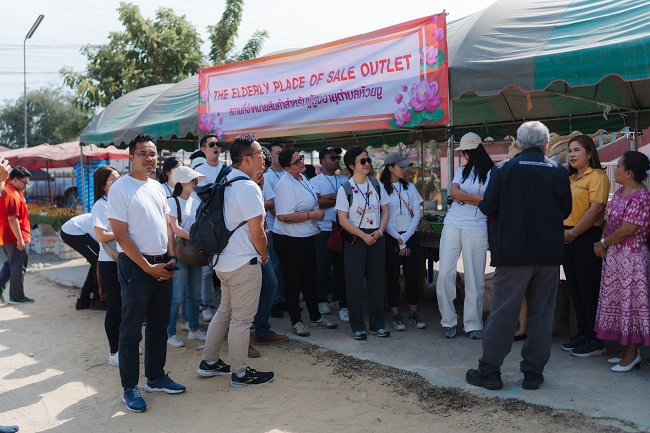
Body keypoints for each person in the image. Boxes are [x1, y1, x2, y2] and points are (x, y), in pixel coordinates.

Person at [465, 121, 571, 391]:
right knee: (541, 314)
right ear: (546, 144)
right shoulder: (559, 171)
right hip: (548, 254)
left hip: (513, 253)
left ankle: (490, 370)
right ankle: (533, 373)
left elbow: (488, 206)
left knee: (503, 313)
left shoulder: (503, 169)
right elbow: (566, 210)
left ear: (518, 144)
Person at [108, 134, 185, 412]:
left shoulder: (157, 187)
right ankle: (130, 387)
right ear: (131, 157)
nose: (149, 158)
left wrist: (171, 257)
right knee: (131, 330)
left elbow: (167, 225)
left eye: (153, 153)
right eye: (143, 153)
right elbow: (120, 235)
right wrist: (147, 267)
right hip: (136, 267)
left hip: (161, 264)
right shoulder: (121, 188)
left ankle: (156, 377)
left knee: (159, 325)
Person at [197, 134, 275, 387]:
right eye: (259, 152)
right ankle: (240, 373)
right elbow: (258, 233)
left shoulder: (226, 179)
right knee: (241, 320)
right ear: (247, 159)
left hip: (223, 261)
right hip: (243, 263)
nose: (263, 156)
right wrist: (264, 255)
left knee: (224, 313)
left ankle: (209, 362)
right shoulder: (248, 187)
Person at [593, 151, 650, 372]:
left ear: (629, 173)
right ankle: (626, 352)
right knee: (620, 303)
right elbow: (610, 222)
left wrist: (603, 244)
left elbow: (628, 230)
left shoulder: (641, 197)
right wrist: (603, 242)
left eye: (618, 166)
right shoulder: (620, 192)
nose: (615, 170)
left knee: (631, 305)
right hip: (616, 256)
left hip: (632, 259)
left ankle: (632, 354)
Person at [273, 148, 337, 336]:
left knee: (310, 278)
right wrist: (311, 216)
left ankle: (315, 318)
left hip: (306, 235)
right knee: (293, 281)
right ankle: (296, 321)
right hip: (290, 239)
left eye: (301, 158)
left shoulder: (302, 178)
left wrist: (313, 224)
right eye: (296, 161)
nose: (301, 162)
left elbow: (310, 202)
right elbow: (283, 216)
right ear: (287, 168)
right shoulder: (285, 185)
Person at [436, 133, 494, 339]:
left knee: (475, 278)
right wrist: (478, 199)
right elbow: (454, 194)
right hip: (453, 224)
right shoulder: (461, 170)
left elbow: (490, 201)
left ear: (473, 151)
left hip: (477, 227)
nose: (464, 156)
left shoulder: (492, 173)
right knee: (445, 274)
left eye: (465, 152)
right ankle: (448, 320)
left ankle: (473, 323)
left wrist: (465, 198)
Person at [559, 135, 610, 357]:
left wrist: (573, 233)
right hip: (566, 235)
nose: (572, 154)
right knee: (576, 288)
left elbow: (596, 209)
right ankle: (583, 333)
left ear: (590, 153)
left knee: (589, 288)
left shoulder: (597, 176)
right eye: (570, 150)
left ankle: (595, 339)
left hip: (585, 235)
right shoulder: (570, 178)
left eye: (577, 150)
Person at [335, 147, 390, 340]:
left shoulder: (376, 184)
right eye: (363, 161)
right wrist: (362, 236)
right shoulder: (345, 188)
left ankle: (377, 325)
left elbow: (385, 211)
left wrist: (380, 231)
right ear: (352, 166)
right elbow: (342, 219)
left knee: (377, 282)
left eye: (368, 160)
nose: (367, 164)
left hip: (376, 235)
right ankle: (358, 327)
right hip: (356, 238)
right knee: (355, 284)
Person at [250, 146, 289, 355]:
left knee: (269, 284)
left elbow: (270, 205)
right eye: (260, 159)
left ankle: (261, 331)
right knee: (241, 295)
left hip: (260, 243)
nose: (263, 165)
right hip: (243, 249)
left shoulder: (259, 182)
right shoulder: (241, 183)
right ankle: (239, 341)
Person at [380, 151, 426, 332]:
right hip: (390, 236)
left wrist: (405, 238)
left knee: (412, 276)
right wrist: (399, 240)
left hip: (409, 235)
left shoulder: (410, 187)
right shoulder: (381, 189)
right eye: (401, 167)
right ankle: (395, 315)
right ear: (390, 168)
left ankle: (413, 313)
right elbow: (382, 217)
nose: (404, 170)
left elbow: (417, 213)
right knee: (392, 277)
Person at [166, 166, 208, 348]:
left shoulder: (195, 201)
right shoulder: (172, 201)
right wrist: (197, 239)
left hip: (194, 252)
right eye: (193, 180)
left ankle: (193, 329)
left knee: (195, 295)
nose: (196, 183)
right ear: (183, 182)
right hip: (182, 252)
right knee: (177, 296)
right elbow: (175, 229)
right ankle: (170, 333)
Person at [310, 146, 349, 322]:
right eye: (332, 157)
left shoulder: (344, 178)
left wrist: (329, 197)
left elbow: (349, 199)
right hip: (324, 229)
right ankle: (321, 299)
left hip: (342, 229)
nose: (336, 160)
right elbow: (317, 203)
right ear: (322, 161)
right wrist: (338, 197)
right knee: (323, 266)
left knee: (341, 268)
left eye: (337, 157)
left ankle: (338, 300)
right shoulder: (315, 181)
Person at [91, 165, 123, 366]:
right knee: (115, 307)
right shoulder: (100, 206)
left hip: (125, 259)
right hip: (110, 262)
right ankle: (114, 351)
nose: (119, 181)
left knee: (126, 306)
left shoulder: (119, 201)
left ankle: (124, 344)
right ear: (103, 186)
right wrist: (123, 232)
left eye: (120, 177)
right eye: (114, 180)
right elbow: (101, 236)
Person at [195, 134, 228, 321]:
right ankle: (205, 305)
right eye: (212, 144)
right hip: (207, 224)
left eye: (218, 144)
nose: (216, 147)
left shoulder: (227, 169)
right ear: (203, 149)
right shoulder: (199, 171)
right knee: (206, 270)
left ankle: (225, 304)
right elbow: (203, 198)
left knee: (226, 266)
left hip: (226, 224)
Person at [0, 166, 34, 304]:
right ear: (14, 180)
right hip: (15, 236)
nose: (26, 186)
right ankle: (17, 296)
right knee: (18, 267)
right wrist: (20, 239)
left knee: (11, 264)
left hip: (8, 235)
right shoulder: (12, 195)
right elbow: (12, 219)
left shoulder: (10, 190)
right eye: (24, 183)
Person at [60, 213, 104, 310]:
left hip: (75, 230)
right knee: (98, 262)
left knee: (96, 262)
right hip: (73, 232)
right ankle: (96, 300)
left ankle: (84, 300)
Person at [263, 143, 286, 318]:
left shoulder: (287, 173)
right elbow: (271, 206)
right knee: (276, 265)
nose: (281, 155)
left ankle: (283, 299)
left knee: (284, 266)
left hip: (288, 226)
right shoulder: (267, 175)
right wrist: (286, 217)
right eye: (277, 153)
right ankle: (274, 302)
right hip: (273, 227)